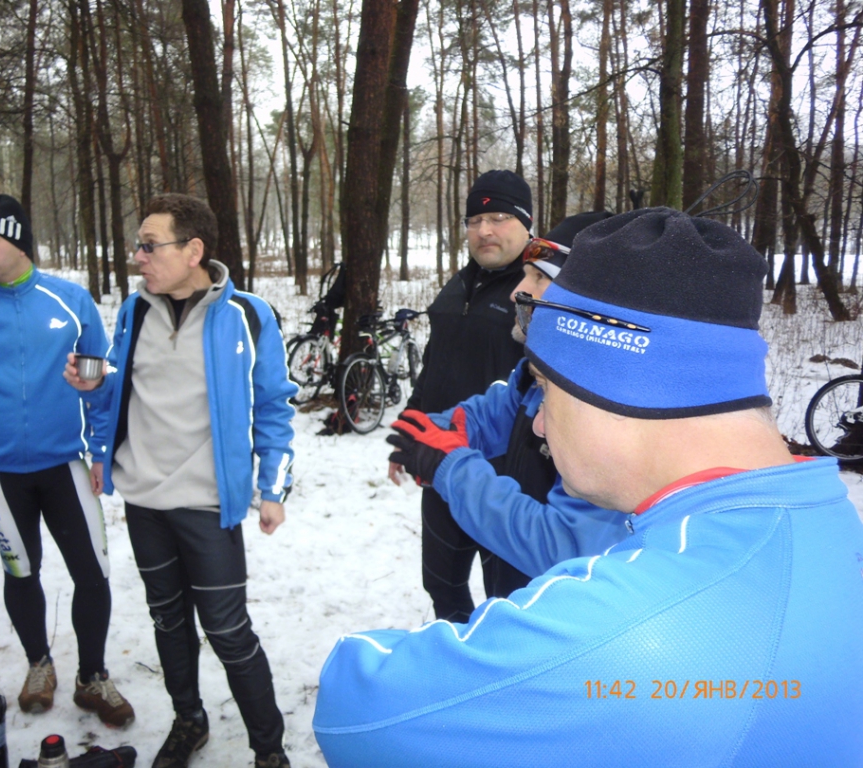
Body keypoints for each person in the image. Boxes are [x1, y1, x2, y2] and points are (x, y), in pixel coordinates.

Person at [313, 207, 863, 765]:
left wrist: (453, 469)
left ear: (615, 387)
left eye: (548, 389)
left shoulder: (612, 629)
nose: (538, 424)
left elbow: (353, 709)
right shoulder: (835, 528)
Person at [65, 193, 296, 768]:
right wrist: (96, 393)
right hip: (144, 499)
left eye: (150, 246)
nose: (138, 256)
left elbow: (274, 404)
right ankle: (188, 720)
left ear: (193, 250)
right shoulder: (133, 311)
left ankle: (269, 750)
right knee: (168, 620)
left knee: (228, 631)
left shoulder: (247, 315)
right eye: (138, 245)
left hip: (207, 503)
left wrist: (273, 488)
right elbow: (122, 385)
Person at [0, 194, 134, 727]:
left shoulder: (70, 301)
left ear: (18, 241)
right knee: (21, 572)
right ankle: (39, 664)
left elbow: (101, 381)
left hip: (66, 466)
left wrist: (101, 451)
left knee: (93, 573)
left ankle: (92, 676)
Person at [391, 212, 630, 580]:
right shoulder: (537, 375)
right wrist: (432, 432)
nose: (517, 291)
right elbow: (487, 417)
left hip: (558, 607)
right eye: (525, 274)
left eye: (540, 277)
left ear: (587, 298)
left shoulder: (612, 408)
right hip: (514, 590)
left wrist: (451, 467)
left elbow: (563, 548)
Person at [391, 169, 535, 623]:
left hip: (507, 477)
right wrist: (411, 430)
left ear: (527, 223)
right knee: (442, 585)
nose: (484, 230)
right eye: (474, 220)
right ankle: (457, 659)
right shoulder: (459, 285)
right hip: (442, 462)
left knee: (508, 602)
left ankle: (505, 667)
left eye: (498, 218)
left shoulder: (537, 291)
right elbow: (435, 365)